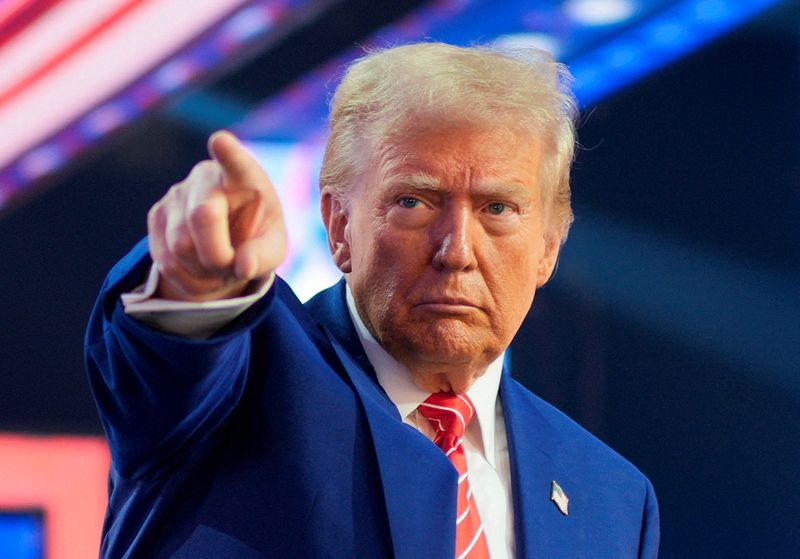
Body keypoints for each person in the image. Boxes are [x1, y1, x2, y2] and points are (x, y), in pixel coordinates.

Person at [85, 42, 659, 558]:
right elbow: (169, 358)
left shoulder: (611, 496)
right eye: (414, 202)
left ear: (548, 249)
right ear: (338, 226)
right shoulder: (247, 378)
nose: (456, 250)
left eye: (497, 209)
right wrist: (196, 279)